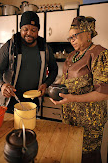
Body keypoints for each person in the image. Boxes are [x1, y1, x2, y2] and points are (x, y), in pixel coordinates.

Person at [50, 16, 108, 163]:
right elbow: (65, 82)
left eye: (74, 35)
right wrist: (53, 88)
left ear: (88, 33)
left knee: (87, 157)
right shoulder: (72, 56)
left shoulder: (100, 54)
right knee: (70, 154)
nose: (71, 40)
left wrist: (73, 98)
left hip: (89, 124)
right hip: (70, 118)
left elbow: (104, 93)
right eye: (69, 37)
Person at [0, 11, 58, 113]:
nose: (29, 33)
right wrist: (1, 85)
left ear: (38, 31)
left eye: (33, 30)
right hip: (11, 100)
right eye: (25, 29)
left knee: (30, 127)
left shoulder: (45, 48)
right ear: (20, 29)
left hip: (34, 100)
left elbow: (54, 69)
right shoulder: (10, 47)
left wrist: (46, 84)